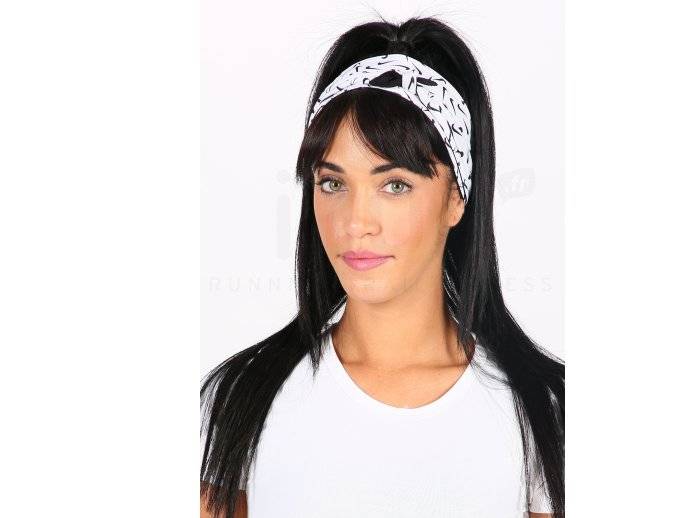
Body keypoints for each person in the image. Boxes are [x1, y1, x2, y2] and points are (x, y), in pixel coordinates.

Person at [201, 16, 564, 518]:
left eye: (394, 185)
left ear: (456, 198)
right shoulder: (239, 399)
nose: (355, 223)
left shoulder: (542, 412)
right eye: (333, 183)